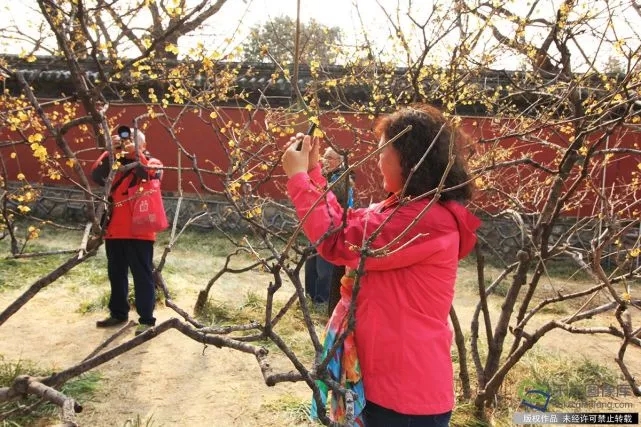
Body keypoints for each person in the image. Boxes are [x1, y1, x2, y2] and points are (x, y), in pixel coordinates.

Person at [282, 104, 481, 426]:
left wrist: (300, 178)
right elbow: (347, 224)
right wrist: (316, 171)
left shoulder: (424, 219)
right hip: (388, 383)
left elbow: (337, 239)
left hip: (403, 396)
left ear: (409, 160)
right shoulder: (406, 209)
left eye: (382, 152)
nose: (377, 160)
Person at [91, 125, 164, 336]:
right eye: (126, 141)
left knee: (142, 276)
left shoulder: (152, 162)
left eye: (133, 141)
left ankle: (147, 320)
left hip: (140, 231)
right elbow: (97, 176)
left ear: (144, 145)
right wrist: (109, 152)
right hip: (114, 229)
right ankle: (118, 313)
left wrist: (135, 153)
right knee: (116, 274)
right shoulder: (114, 164)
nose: (127, 144)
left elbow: (150, 175)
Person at [304, 147, 354, 304]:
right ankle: (310, 297)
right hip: (316, 225)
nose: (325, 160)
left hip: (331, 228)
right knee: (310, 264)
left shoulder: (344, 178)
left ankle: (321, 300)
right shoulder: (324, 176)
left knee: (324, 268)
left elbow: (330, 195)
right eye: (324, 157)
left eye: (330, 158)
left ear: (339, 162)